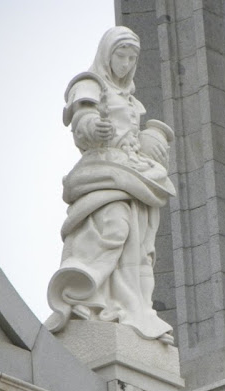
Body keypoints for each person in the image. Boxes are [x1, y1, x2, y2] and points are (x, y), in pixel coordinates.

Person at [46, 26, 176, 344]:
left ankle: (131, 309)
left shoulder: (130, 98)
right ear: (107, 53)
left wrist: (148, 141)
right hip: (103, 169)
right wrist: (94, 128)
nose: (127, 63)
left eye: (133, 58)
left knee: (139, 243)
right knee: (114, 227)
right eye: (121, 55)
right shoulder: (89, 84)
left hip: (135, 173)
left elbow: (133, 134)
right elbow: (82, 121)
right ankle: (85, 294)